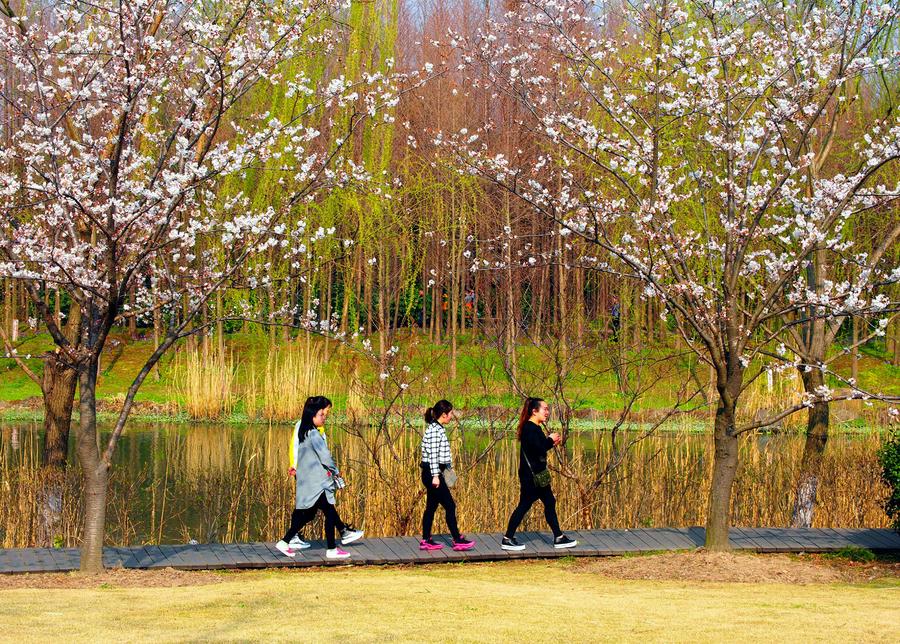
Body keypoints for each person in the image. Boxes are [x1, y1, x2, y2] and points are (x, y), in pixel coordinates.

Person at [276, 396, 362, 559]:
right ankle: (331, 549)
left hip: (310, 481)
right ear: (313, 416)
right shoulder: (313, 434)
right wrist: (336, 471)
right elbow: (325, 457)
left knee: (310, 514)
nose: (324, 418)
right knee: (329, 512)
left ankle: (286, 541)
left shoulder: (304, 431)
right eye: (322, 415)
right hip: (319, 482)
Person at [501, 397, 577, 551]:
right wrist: (550, 440)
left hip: (536, 475)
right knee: (525, 505)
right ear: (534, 411)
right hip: (532, 477)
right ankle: (508, 538)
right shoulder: (530, 428)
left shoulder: (533, 427)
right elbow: (539, 448)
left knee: (548, 502)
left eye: (548, 409)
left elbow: (538, 448)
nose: (547, 412)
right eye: (545, 409)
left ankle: (558, 536)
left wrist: (549, 442)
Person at [419, 400, 476, 551]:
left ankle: (426, 540)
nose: (452, 416)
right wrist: (436, 476)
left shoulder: (438, 428)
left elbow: (441, 455)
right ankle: (457, 540)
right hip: (433, 473)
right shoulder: (434, 431)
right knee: (450, 505)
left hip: (437, 472)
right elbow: (432, 456)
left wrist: (449, 471)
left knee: (431, 507)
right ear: (444, 415)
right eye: (451, 413)